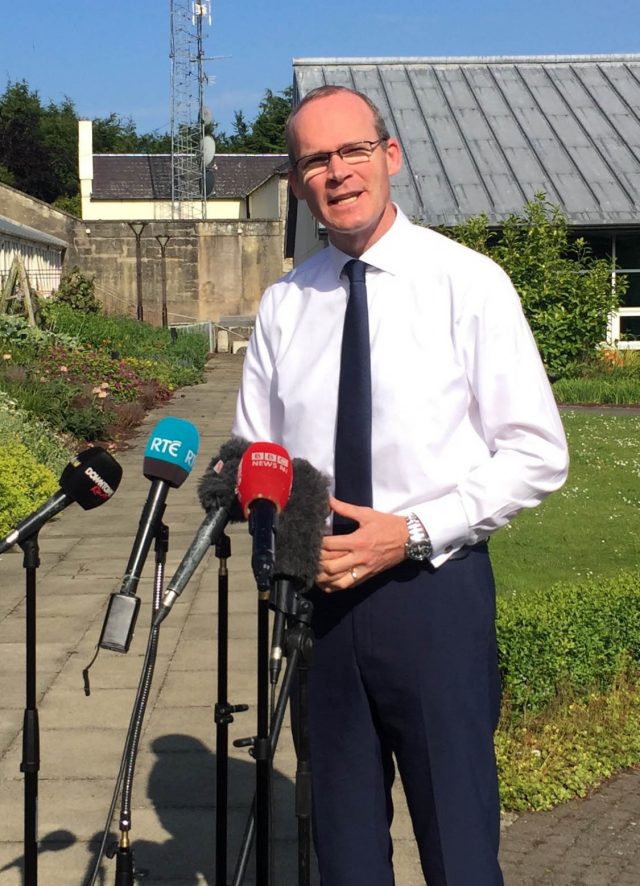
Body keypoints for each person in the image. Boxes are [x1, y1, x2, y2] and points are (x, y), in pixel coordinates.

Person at [232, 85, 568, 886]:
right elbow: (256, 452)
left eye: (352, 150)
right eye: (316, 159)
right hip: (322, 608)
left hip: (434, 596)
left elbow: (537, 452)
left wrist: (411, 531)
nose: (337, 172)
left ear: (391, 156)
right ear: (298, 180)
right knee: (344, 855)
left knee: (458, 849)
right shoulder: (284, 305)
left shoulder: (468, 283)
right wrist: (273, 537)